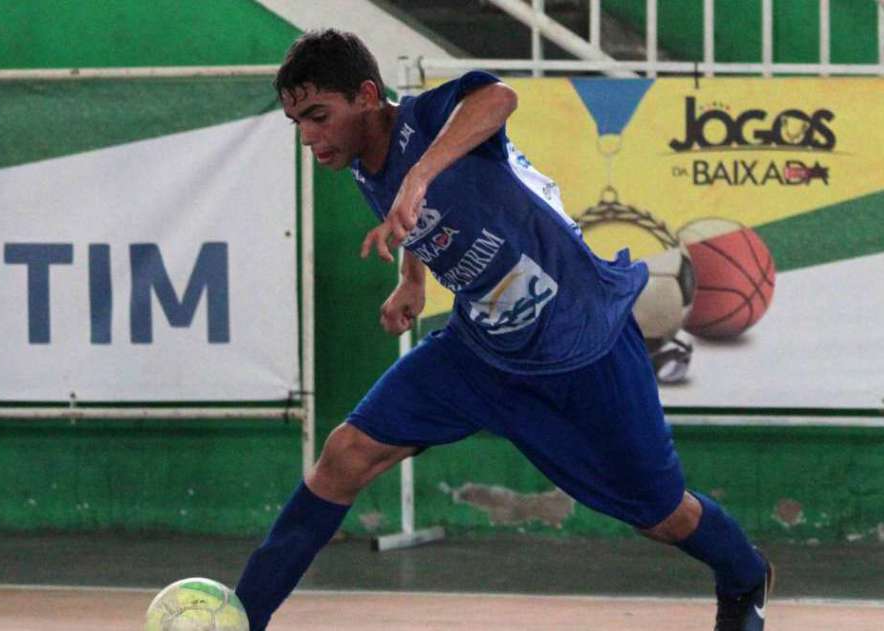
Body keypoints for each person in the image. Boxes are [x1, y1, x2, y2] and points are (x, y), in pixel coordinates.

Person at [233, 29, 772, 631]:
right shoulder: (364, 165)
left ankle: (745, 576)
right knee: (344, 455)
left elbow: (499, 98)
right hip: (482, 353)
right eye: (296, 123)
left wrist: (419, 178)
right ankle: (239, 618)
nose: (308, 136)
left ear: (365, 95)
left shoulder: (428, 120)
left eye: (317, 115)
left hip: (581, 342)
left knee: (663, 516)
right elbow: (423, 222)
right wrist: (413, 280)